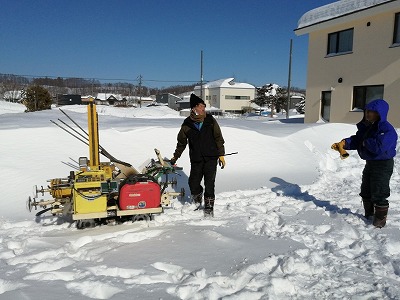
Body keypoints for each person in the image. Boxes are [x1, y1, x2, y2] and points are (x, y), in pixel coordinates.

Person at [332, 99, 397, 228]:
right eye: (367, 111)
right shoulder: (369, 127)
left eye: (371, 112)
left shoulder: (387, 130)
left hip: (383, 164)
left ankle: (379, 223)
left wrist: (364, 142)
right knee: (366, 190)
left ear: (380, 113)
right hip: (371, 163)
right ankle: (369, 215)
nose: (368, 114)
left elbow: (379, 147)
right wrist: (344, 143)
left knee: (379, 191)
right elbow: (358, 139)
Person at [170, 94, 225, 217]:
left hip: (211, 157)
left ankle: (209, 207)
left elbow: (218, 138)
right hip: (196, 159)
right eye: (202, 107)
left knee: (209, 183)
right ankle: (197, 197)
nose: (204, 109)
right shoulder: (187, 124)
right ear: (194, 108)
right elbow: (181, 143)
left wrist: (221, 155)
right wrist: (175, 157)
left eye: (204, 107)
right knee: (193, 182)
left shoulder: (210, 120)